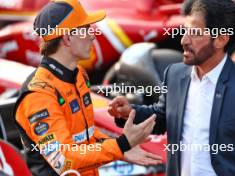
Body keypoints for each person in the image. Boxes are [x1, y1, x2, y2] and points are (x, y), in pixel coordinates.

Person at [108, 0, 235, 175]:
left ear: (221, 39)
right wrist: (129, 112)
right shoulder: (174, 75)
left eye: (195, 33)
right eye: (185, 31)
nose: (183, 40)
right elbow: (162, 117)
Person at [14, 0, 162, 175]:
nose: (92, 36)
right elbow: (65, 160)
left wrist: (121, 149)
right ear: (67, 38)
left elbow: (85, 136)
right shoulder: (39, 94)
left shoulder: (78, 75)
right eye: (85, 30)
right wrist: (121, 144)